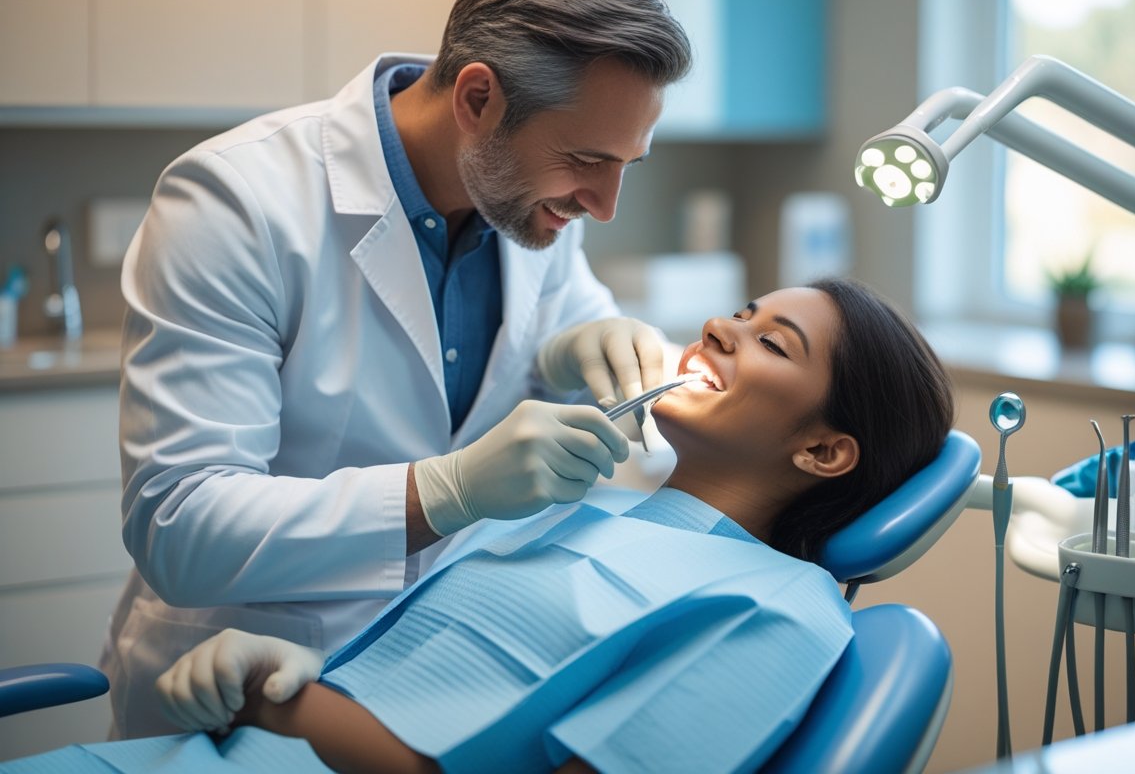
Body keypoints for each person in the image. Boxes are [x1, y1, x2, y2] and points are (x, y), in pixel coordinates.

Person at [100, 0, 693, 739]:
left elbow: (566, 327)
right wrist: (443, 493)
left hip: (430, 689)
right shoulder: (237, 202)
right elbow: (182, 525)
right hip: (231, 695)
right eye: (587, 160)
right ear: (478, 98)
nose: (605, 202)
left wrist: (581, 346)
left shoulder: (528, 199)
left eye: (628, 164)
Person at [6, 279, 954, 773]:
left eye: (770, 341)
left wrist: (270, 693)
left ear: (827, 453)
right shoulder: (583, 505)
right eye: (741, 311)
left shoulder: (782, 616)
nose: (718, 329)